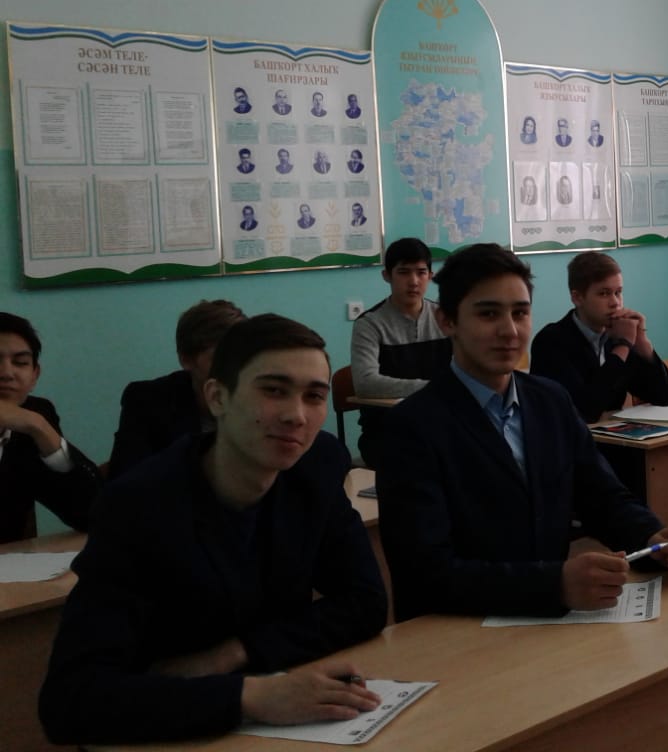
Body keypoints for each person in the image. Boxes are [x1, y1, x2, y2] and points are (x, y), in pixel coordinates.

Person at [39, 315, 387, 745]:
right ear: (217, 397)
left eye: (314, 396)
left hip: (281, 719)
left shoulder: (316, 468)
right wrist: (250, 697)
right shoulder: (138, 505)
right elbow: (69, 700)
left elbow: (364, 602)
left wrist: (236, 653)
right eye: (273, 390)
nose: (296, 416)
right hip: (168, 726)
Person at [377, 244, 668, 620]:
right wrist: (554, 584)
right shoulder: (412, 426)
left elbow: (602, 496)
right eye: (488, 314)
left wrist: (652, 538)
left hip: (546, 623)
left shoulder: (549, 400)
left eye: (520, 313)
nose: (509, 331)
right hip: (458, 629)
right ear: (447, 321)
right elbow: (424, 571)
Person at [108, 299, 247, 481]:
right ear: (186, 360)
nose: (234, 368)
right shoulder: (147, 401)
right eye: (220, 358)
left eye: (243, 356)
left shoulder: (262, 397)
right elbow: (126, 482)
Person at [531, 251, 668, 423]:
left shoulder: (616, 335)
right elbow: (584, 412)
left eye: (618, 292)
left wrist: (644, 346)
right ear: (577, 298)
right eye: (604, 293)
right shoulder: (551, 341)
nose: (615, 302)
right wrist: (622, 347)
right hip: (571, 438)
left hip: (611, 435)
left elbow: (663, 397)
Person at [349, 238, 450, 470]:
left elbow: (466, 370)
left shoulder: (445, 318)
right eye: (404, 272)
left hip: (440, 424)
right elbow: (365, 383)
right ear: (387, 275)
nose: (413, 281)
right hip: (387, 430)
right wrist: (433, 388)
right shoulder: (369, 324)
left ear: (431, 276)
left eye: (421, 272)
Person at [0, 313, 102, 544]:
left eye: (20, 363)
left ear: (35, 375)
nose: (6, 373)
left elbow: (93, 514)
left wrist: (42, 429)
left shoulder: (35, 416)